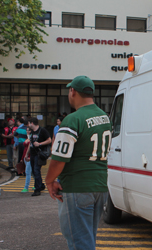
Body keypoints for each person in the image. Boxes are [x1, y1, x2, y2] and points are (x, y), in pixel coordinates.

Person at [46, 75, 112, 250]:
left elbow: (59, 158)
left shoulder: (72, 120)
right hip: (99, 186)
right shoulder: (105, 118)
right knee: (88, 237)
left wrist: (49, 181)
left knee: (79, 242)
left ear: (72, 91)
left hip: (77, 187)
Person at [25, 117, 51, 196]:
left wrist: (40, 144)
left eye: (29, 123)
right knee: (34, 171)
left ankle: (37, 189)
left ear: (32, 123)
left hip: (39, 154)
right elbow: (31, 143)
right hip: (33, 153)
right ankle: (41, 185)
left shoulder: (42, 130)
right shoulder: (32, 132)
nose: (28, 125)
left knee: (36, 170)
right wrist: (27, 154)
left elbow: (49, 140)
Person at [21, 127, 32, 192]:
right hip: (25, 156)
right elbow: (25, 149)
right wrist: (22, 158)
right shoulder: (27, 137)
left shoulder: (32, 138)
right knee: (32, 172)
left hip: (29, 157)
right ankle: (36, 184)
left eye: (28, 130)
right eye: (27, 130)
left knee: (27, 172)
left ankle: (26, 187)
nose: (27, 131)